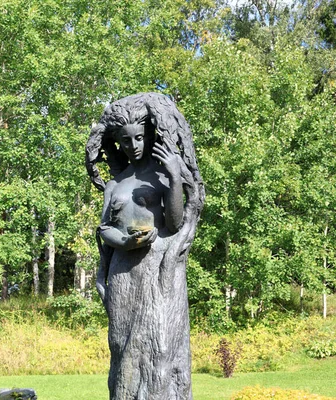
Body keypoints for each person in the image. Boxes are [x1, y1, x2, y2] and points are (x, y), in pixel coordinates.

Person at [85, 93, 204, 400]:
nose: (133, 146)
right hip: (124, 274)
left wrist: (175, 178)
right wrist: (124, 241)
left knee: (161, 346)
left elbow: (175, 223)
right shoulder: (116, 184)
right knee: (123, 348)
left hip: (157, 271)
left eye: (139, 138)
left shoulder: (163, 172)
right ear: (118, 142)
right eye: (125, 141)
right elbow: (104, 229)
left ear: (149, 135)